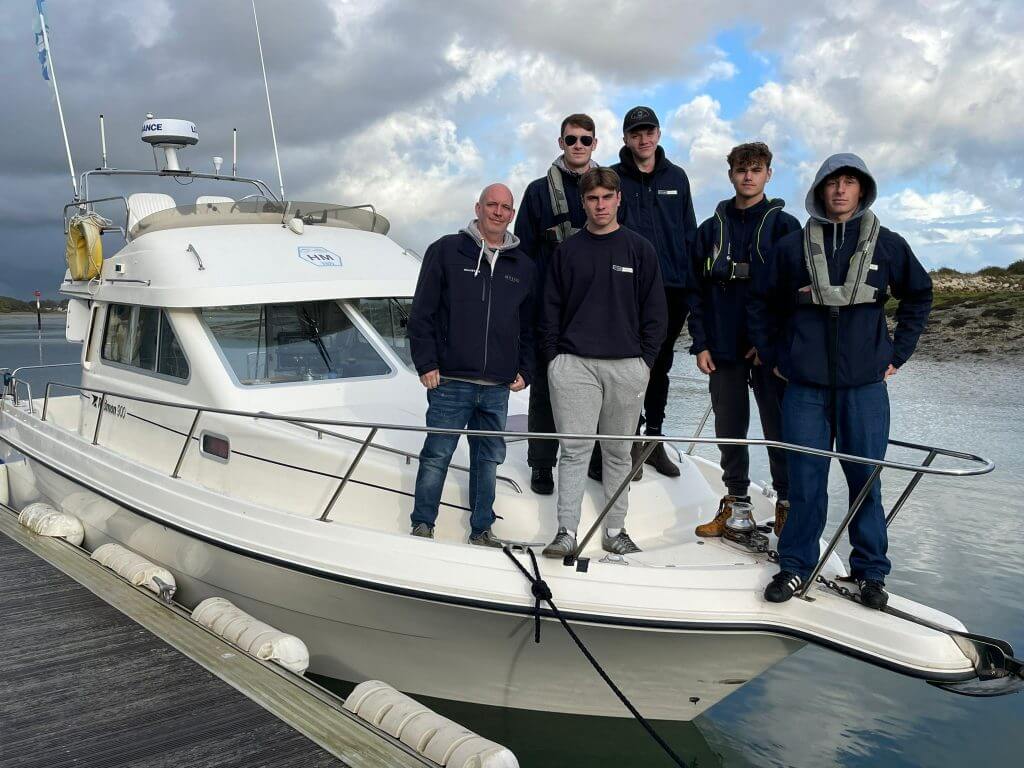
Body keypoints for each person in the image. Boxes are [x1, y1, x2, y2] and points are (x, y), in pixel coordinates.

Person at [748, 153, 933, 608]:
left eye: (850, 182)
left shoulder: (888, 245)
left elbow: (920, 294)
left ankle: (870, 574)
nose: (840, 190)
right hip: (804, 389)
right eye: (833, 182)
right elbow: (760, 303)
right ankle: (795, 567)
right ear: (820, 189)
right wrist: (775, 356)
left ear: (862, 189)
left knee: (865, 480)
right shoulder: (791, 247)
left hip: (864, 389)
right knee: (805, 482)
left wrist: (898, 353)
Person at [539, 168, 667, 558]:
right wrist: (553, 361)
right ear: (583, 203)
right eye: (592, 198)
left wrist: (644, 361)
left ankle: (615, 530)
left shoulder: (639, 249)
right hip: (574, 364)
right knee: (574, 450)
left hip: (627, 366)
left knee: (617, 453)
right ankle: (566, 532)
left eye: (606, 197)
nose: (599, 205)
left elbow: (655, 312)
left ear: (617, 199)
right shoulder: (568, 252)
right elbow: (549, 310)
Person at [407, 184, 535, 546]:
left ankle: (481, 530)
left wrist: (526, 370)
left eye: (505, 207)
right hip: (450, 380)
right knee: (437, 455)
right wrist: (426, 362)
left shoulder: (523, 266)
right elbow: (422, 313)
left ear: (512, 214)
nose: (498, 212)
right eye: (491, 205)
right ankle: (422, 525)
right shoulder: (446, 250)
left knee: (488, 461)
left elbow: (529, 325)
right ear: (478, 207)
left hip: (497, 386)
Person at [687, 142, 800, 538]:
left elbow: (795, 296)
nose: (748, 176)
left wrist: (770, 342)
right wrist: (700, 343)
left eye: (756, 169)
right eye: (741, 169)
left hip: (769, 354)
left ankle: (786, 506)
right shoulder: (709, 230)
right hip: (721, 348)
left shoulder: (786, 228)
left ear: (769, 174)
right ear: (731, 174)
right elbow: (695, 292)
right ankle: (737, 506)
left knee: (779, 431)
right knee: (730, 430)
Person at [596, 105, 696, 480]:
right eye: (636, 132)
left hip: (671, 289)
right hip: (626, 288)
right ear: (625, 138)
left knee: (661, 366)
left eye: (649, 131)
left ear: (658, 134)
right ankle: (628, 441)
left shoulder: (678, 177)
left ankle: (653, 441)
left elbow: (689, 233)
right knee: (626, 368)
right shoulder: (612, 178)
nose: (643, 138)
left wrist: (690, 289)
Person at [515, 113, 600, 496]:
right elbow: (523, 252)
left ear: (595, 143)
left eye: (585, 139)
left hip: (596, 306)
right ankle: (542, 463)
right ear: (561, 142)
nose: (578, 146)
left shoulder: (609, 188)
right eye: (571, 139)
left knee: (599, 384)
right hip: (550, 305)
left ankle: (598, 457)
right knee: (547, 387)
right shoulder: (536, 192)